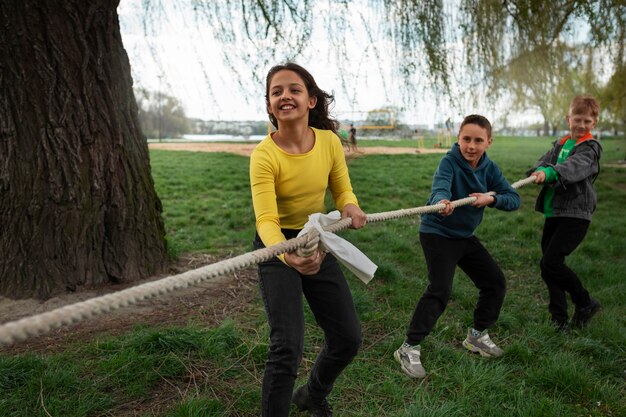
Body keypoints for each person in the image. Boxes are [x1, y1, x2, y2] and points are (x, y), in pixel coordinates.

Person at [250, 62, 367, 417]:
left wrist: (350, 206)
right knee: (287, 347)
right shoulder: (264, 156)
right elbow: (266, 220)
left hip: (314, 237)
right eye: (276, 92)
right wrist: (288, 257)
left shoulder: (330, 142)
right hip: (276, 246)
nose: (285, 95)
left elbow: (341, 188)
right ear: (270, 106)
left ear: (311, 100)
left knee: (348, 338)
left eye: (294, 89)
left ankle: (313, 394)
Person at [394, 114, 521, 379]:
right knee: (440, 289)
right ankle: (409, 347)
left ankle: (476, 336)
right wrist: (443, 202)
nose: (471, 146)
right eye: (466, 139)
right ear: (458, 138)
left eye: (478, 140)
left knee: (494, 282)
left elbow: (514, 198)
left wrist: (491, 198)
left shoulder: (490, 168)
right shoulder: (449, 161)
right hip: (437, 233)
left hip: (464, 236)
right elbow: (439, 188)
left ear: (488, 142)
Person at [527, 95, 602, 331]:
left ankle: (585, 302)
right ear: (569, 119)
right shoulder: (560, 144)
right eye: (577, 119)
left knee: (551, 262)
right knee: (549, 266)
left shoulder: (590, 148)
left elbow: (574, 167)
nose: (581, 125)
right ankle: (558, 320)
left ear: (594, 123)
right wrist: (539, 170)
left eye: (587, 121)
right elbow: (542, 163)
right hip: (554, 212)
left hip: (576, 214)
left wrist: (550, 174)